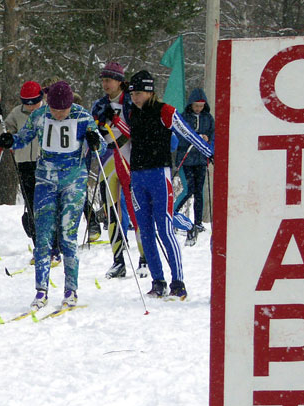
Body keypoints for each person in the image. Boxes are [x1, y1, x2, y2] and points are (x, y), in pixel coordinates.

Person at [0, 81, 104, 311]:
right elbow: (23, 137)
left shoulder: (81, 116)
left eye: (62, 110)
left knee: (68, 235)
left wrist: (94, 141)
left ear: (70, 105)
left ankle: (70, 289)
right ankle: (41, 290)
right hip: (45, 180)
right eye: (54, 109)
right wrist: (10, 140)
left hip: (73, 181)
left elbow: (101, 145)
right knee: (43, 235)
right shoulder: (40, 116)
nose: (58, 114)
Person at [125, 70, 213, 299]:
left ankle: (178, 283)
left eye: (140, 93)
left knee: (164, 228)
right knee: (145, 232)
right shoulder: (133, 113)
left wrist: (209, 153)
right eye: (133, 93)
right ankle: (158, 282)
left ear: (150, 91)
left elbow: (188, 133)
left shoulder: (165, 110)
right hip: (137, 176)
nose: (135, 97)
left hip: (158, 174)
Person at [91, 61, 137, 279]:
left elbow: (135, 132)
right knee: (112, 212)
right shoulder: (99, 105)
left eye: (109, 80)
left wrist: (117, 121)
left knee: (137, 212)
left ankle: (144, 259)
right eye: (103, 80)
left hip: (131, 161)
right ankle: (118, 260)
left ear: (120, 81)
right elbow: (95, 134)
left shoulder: (131, 100)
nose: (105, 84)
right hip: (108, 161)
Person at [3, 81, 43, 245]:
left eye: (34, 102)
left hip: (45, 164)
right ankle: (37, 242)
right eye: (27, 103)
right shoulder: (16, 113)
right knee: (31, 203)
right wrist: (1, 128)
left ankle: (54, 242)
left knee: (46, 205)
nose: (31, 107)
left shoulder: (49, 111)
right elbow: (4, 132)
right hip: (24, 163)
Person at [174, 87, 214, 246]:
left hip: (200, 160)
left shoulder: (208, 118)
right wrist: (193, 139)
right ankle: (173, 214)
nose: (198, 108)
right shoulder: (184, 117)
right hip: (186, 160)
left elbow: (213, 135)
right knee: (188, 188)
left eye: (201, 106)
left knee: (199, 191)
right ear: (191, 104)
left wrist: (207, 142)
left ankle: (198, 222)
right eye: (196, 105)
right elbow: (179, 137)